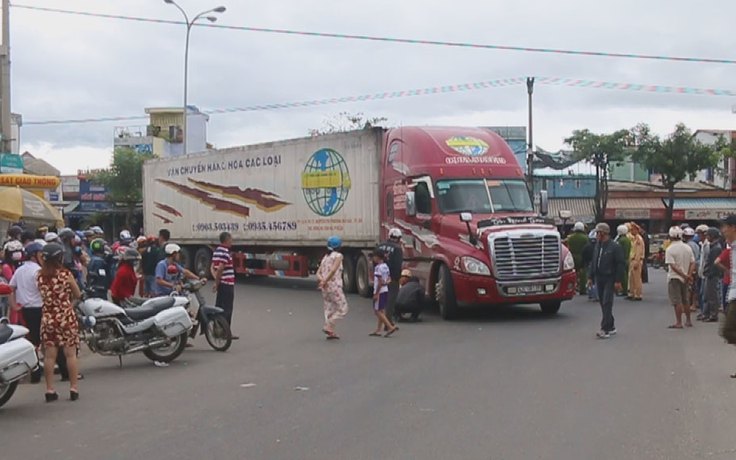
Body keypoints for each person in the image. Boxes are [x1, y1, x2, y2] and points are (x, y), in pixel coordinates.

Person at [37, 242, 82, 402]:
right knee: (70, 354)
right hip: (65, 317)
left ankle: (50, 390)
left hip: (48, 318)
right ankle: (73, 388)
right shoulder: (65, 275)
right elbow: (77, 294)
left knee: (50, 356)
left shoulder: (40, 276)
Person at [8, 242, 45, 383]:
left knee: (32, 340)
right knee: (44, 340)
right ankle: (38, 369)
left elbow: (10, 288)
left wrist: (14, 306)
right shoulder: (37, 271)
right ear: (35, 256)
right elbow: (43, 290)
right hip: (38, 308)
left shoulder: (19, 270)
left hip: (25, 310)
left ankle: (35, 370)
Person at [587, 223, 625, 339]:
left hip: (610, 277)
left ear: (604, 233)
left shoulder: (615, 247)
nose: (596, 235)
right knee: (602, 303)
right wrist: (590, 277)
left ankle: (605, 329)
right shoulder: (598, 245)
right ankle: (611, 325)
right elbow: (594, 261)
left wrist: (618, 280)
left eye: (598, 232)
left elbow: (620, 264)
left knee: (607, 302)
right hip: (599, 277)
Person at [316, 236, 349, 340]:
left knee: (329, 308)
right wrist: (326, 281)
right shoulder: (338, 256)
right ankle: (329, 325)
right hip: (334, 286)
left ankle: (331, 331)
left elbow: (318, 273)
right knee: (343, 308)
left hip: (325, 287)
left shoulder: (325, 257)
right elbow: (334, 270)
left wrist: (322, 281)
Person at [665, 226, 696, 329]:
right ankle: (688, 320)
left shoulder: (670, 249)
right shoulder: (687, 247)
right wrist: (689, 275)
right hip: (686, 278)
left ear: (670, 236)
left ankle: (679, 322)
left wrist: (683, 275)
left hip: (675, 277)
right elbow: (693, 262)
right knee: (686, 299)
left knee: (677, 301)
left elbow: (672, 266)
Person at [211, 232, 238, 339]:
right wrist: (217, 282)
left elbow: (213, 267)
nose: (232, 241)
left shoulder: (216, 251)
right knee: (227, 309)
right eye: (231, 239)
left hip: (222, 283)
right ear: (226, 240)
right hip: (227, 284)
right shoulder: (226, 252)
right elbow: (221, 268)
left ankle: (216, 331)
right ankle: (226, 333)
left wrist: (217, 280)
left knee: (219, 308)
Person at [719, 216, 736, 378]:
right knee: (728, 330)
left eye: (725, 227)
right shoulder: (732, 248)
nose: (723, 231)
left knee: (728, 330)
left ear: (733, 227)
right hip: (733, 293)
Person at [369, 249, 398, 337]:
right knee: (381, 310)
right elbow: (389, 279)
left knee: (377, 311)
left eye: (374, 257)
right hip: (385, 289)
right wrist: (386, 283)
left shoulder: (378, 268)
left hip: (380, 291)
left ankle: (389, 327)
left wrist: (376, 293)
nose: (373, 259)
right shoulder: (386, 266)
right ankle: (378, 330)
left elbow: (380, 281)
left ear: (377, 257)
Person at [377, 228, 403, 322]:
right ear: (399, 238)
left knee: (381, 300)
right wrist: (396, 278)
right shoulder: (397, 248)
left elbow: (375, 260)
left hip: (380, 276)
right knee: (390, 300)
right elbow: (397, 265)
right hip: (391, 277)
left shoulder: (380, 246)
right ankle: (388, 322)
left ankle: (381, 322)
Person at [699, 228, 723, 323]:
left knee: (712, 295)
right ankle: (707, 313)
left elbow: (713, 264)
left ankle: (713, 315)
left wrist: (708, 273)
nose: (707, 237)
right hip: (710, 274)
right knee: (707, 295)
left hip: (712, 275)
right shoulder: (713, 246)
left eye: (708, 235)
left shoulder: (716, 248)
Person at [566, 222, 589, 295]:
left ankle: (572, 289)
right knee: (583, 273)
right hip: (582, 257)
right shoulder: (585, 238)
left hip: (572, 257)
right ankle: (583, 289)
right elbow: (587, 248)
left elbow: (568, 247)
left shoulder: (570, 238)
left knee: (573, 274)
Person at [627, 223, 645, 301]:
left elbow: (638, 252)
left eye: (632, 229)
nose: (631, 231)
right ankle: (631, 293)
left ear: (636, 230)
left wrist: (636, 262)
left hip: (636, 260)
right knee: (631, 278)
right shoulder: (634, 238)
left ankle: (638, 294)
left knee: (637, 278)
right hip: (632, 259)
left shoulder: (639, 239)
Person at [696, 224, 710, 314]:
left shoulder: (707, 246)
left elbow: (707, 261)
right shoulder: (701, 244)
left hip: (705, 274)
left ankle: (705, 312)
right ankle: (703, 312)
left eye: (700, 234)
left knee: (704, 295)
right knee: (701, 294)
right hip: (701, 273)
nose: (698, 236)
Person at [614, 224, 631, 297]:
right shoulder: (627, 239)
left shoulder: (620, 240)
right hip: (627, 259)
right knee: (626, 275)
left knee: (622, 275)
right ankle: (625, 289)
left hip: (621, 259)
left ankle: (623, 290)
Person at [582, 230, 598, 301]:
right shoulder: (599, 246)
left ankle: (590, 294)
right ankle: (596, 295)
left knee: (589, 279)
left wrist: (584, 263)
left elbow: (583, 255)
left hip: (588, 263)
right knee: (596, 280)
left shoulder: (586, 246)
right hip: (598, 264)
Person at [716, 243, 731, 313]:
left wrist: (726, 270)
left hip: (728, 280)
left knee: (726, 301)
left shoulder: (727, 252)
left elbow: (716, 262)